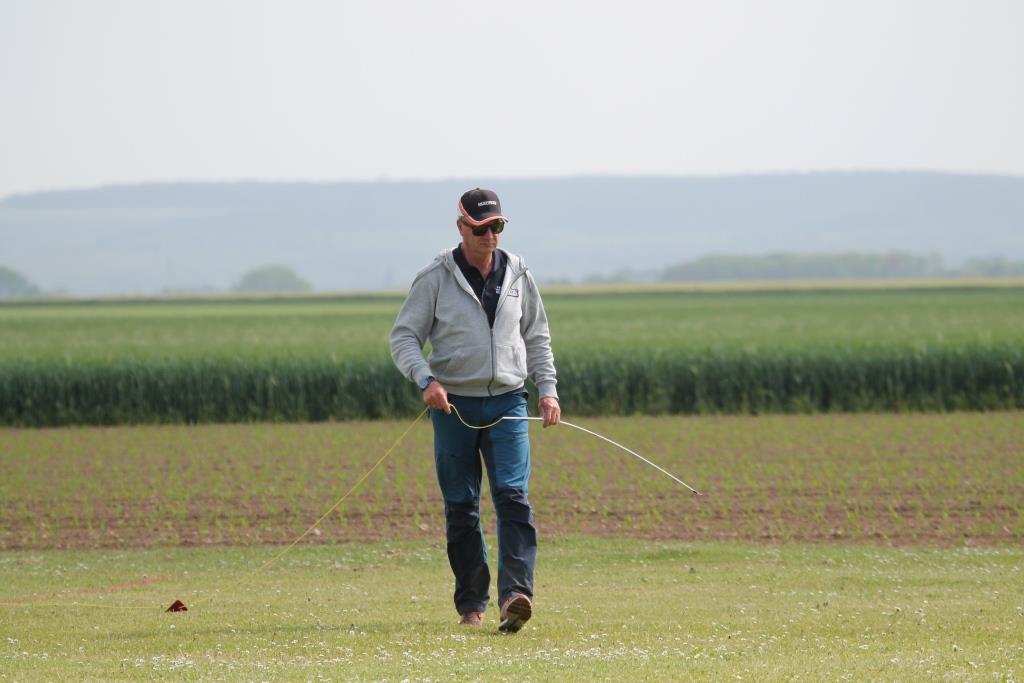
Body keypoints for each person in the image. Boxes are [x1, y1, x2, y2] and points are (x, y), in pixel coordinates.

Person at [390, 187, 560, 632]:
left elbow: (537, 335)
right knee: (462, 506)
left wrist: (548, 390)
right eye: (481, 228)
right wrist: (426, 380)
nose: (490, 236)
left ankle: (516, 597)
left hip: (509, 400)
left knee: (513, 496)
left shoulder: (519, 274)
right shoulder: (434, 277)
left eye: (497, 226)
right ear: (461, 227)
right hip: (453, 407)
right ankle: (472, 605)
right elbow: (404, 337)